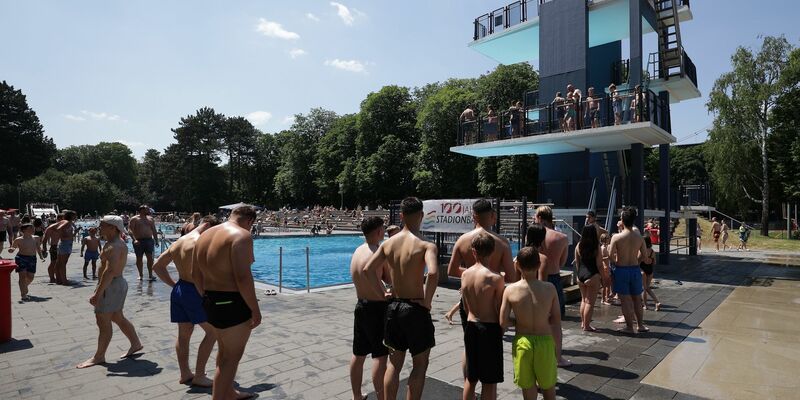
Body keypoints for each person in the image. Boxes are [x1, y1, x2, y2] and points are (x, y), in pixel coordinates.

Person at [363, 197, 438, 400]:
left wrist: (383, 293)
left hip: (394, 307)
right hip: (415, 308)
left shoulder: (389, 243)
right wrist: (427, 301)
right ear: (421, 215)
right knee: (420, 364)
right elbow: (432, 273)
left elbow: (368, 270)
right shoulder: (426, 245)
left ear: (402, 215)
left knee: (394, 365)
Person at [193, 205, 261, 400]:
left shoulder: (204, 235)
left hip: (210, 300)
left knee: (224, 352)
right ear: (249, 221)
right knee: (231, 358)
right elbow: (243, 278)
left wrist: (207, 297)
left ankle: (229, 393)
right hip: (232, 303)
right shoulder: (241, 236)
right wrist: (255, 309)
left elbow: (195, 274)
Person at [153, 215, 221, 387]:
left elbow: (157, 266)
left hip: (180, 289)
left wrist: (174, 285)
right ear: (207, 226)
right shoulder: (200, 242)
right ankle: (199, 375)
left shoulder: (179, 242)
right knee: (213, 332)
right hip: (195, 291)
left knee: (183, 335)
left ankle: (185, 374)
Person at [77, 215, 143, 368]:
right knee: (117, 317)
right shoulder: (113, 243)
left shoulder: (114, 246)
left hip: (111, 286)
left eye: (103, 225)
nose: (100, 227)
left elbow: (110, 271)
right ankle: (136, 343)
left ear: (113, 228)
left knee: (103, 320)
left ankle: (99, 356)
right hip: (114, 284)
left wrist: (98, 293)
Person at [500, 246, 559, 400]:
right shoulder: (550, 288)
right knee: (548, 388)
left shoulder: (510, 290)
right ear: (539, 265)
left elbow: (502, 321)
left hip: (522, 342)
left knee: (528, 389)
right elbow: (556, 319)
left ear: (518, 265)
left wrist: (518, 321)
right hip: (544, 341)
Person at [349, 217, 391, 400]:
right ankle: (382, 397)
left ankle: (357, 396)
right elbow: (389, 279)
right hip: (377, 309)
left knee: (358, 354)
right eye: (383, 229)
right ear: (378, 231)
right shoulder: (378, 253)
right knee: (380, 356)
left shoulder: (357, 251)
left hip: (361, 306)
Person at [460, 232, 505, 400]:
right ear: (492, 252)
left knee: (471, 378)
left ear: (473, 251)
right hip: (489, 328)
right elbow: (500, 308)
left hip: (471, 326)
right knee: (489, 381)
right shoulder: (495, 278)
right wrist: (502, 328)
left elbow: (465, 305)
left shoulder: (465, 274)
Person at [532, 207, 570, 367]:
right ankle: (558, 358)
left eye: (535, 216)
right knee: (555, 321)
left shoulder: (533, 234)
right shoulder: (562, 237)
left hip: (533, 277)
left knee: (535, 318)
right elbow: (562, 262)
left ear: (540, 217)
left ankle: (537, 353)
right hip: (553, 279)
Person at [608, 208, 649, 334]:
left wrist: (616, 261)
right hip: (635, 269)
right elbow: (645, 256)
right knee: (637, 299)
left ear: (622, 221)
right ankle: (640, 325)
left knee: (625, 300)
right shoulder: (639, 237)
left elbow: (610, 255)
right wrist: (636, 261)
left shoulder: (616, 237)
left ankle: (630, 327)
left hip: (621, 269)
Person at [574, 224, 602, 331]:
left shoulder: (579, 245)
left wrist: (579, 273)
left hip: (581, 275)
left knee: (583, 300)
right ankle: (587, 326)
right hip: (592, 275)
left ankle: (583, 323)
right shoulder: (596, 246)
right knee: (590, 302)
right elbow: (599, 264)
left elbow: (577, 262)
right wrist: (603, 277)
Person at [8, 224, 40, 301]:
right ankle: (23, 294)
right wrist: (11, 250)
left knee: (31, 277)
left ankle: (24, 286)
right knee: (22, 276)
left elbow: (38, 248)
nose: (32, 230)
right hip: (21, 258)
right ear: (24, 230)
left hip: (32, 258)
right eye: (30, 228)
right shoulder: (18, 239)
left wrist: (41, 256)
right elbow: (13, 247)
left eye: (33, 228)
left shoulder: (36, 238)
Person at [129, 205, 158, 281]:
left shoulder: (150, 219)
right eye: (147, 209)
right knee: (139, 258)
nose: (149, 211)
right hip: (138, 241)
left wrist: (156, 240)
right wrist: (134, 239)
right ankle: (140, 275)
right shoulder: (134, 219)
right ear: (142, 210)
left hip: (149, 240)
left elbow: (154, 230)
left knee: (150, 258)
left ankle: (150, 275)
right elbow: (130, 230)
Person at [52, 210, 77, 285]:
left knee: (59, 262)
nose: (76, 216)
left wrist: (73, 233)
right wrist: (65, 236)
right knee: (63, 263)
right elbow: (58, 229)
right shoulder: (67, 222)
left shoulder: (67, 222)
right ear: (71, 216)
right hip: (65, 244)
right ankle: (64, 280)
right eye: (74, 215)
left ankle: (59, 279)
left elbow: (62, 231)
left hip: (65, 244)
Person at [41, 213, 63, 283]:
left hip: (62, 246)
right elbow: (44, 239)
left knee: (60, 263)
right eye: (63, 219)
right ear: (59, 219)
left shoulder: (64, 227)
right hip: (54, 246)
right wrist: (44, 249)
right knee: (53, 263)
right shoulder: (52, 227)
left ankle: (58, 277)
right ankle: (52, 278)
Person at [640, 237, 661, 311]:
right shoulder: (652, 251)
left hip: (642, 271)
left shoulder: (641, 251)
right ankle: (657, 302)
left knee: (644, 288)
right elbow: (654, 262)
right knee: (647, 288)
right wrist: (649, 260)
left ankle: (645, 305)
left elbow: (637, 262)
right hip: (650, 270)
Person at [599, 233, 614, 305]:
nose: (609, 239)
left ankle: (607, 298)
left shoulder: (606, 247)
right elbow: (601, 258)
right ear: (604, 240)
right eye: (608, 238)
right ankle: (603, 299)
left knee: (608, 284)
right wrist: (609, 257)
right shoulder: (603, 248)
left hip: (607, 267)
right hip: (604, 268)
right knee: (604, 285)